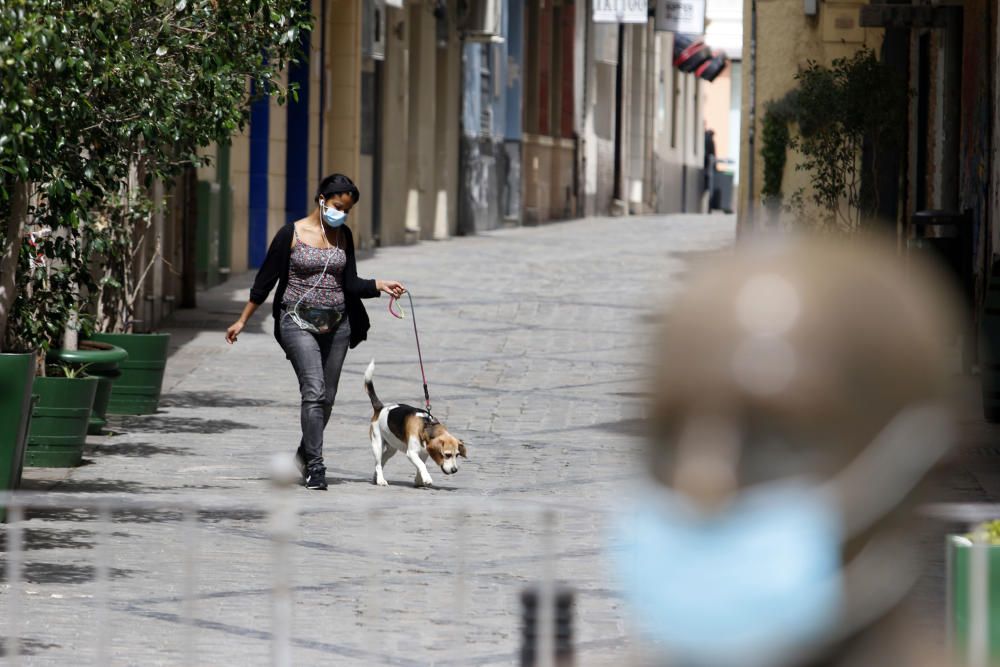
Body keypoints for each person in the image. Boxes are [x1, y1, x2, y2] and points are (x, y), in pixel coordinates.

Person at [225, 173, 405, 491]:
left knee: (328, 398)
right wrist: (243, 320)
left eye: (346, 210)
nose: (341, 214)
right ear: (322, 199)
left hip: (338, 325)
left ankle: (304, 452)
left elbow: (350, 283)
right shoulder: (290, 234)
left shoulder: (343, 236)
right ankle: (316, 466)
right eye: (337, 206)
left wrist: (379, 285)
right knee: (314, 390)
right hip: (296, 321)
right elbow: (264, 281)